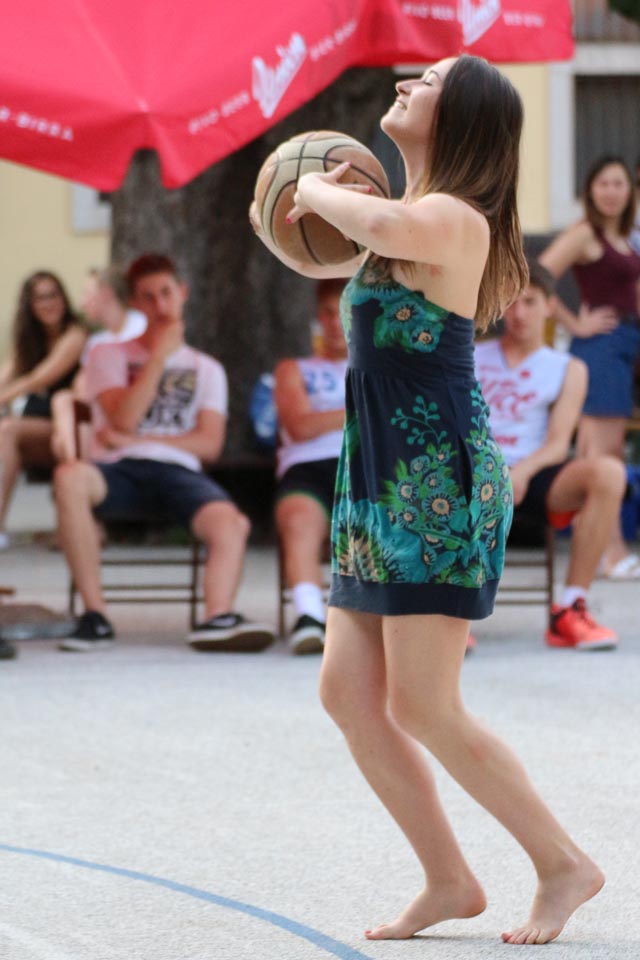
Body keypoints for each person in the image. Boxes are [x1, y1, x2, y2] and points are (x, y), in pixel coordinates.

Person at [251, 55, 604, 946]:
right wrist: (300, 207)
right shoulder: (405, 220)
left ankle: (563, 863)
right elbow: (355, 230)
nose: (408, 81)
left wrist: (313, 189)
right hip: (377, 485)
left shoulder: (454, 217)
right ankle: (449, 879)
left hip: (435, 486)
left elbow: (373, 220)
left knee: (424, 704)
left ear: (461, 117)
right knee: (347, 692)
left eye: (431, 80)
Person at [54, 253, 275, 653]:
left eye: (166, 293)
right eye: (147, 297)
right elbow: (123, 418)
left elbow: (209, 445)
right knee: (69, 477)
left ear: (182, 293)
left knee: (232, 523)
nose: (159, 305)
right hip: (116, 469)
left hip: (178, 473)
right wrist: (157, 358)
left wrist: (140, 440)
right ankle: (95, 616)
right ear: (134, 303)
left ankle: (217, 618)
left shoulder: (207, 369)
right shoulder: (108, 355)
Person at [476, 259, 625, 650]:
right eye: (511, 302)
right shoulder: (472, 356)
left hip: (534, 473)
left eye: (529, 302)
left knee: (609, 473)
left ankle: (570, 609)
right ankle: (448, 613)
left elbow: (558, 444)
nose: (519, 313)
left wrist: (521, 472)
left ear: (549, 307)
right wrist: (491, 470)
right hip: (475, 472)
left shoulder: (568, 368)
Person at [539, 156, 640, 579]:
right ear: (589, 191)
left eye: (619, 184)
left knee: (598, 452)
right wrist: (575, 323)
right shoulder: (585, 233)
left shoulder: (625, 238)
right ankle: (611, 553)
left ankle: (598, 548)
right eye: (604, 184)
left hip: (624, 346)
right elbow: (538, 274)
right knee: (603, 455)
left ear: (630, 191)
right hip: (600, 348)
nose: (612, 192)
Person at [274, 278, 347, 654]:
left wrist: (326, 417)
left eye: (345, 313)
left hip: (365, 464)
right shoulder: (295, 369)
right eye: (328, 313)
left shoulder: (383, 371)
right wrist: (364, 407)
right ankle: (309, 617)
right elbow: (299, 426)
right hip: (307, 466)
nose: (335, 323)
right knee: (299, 519)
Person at [0, 271, 87, 547]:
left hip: (68, 431)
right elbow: (6, 376)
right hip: (37, 429)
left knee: (7, 430)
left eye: (53, 295)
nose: (49, 303)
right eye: (40, 298)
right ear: (30, 305)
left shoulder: (75, 335)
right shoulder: (30, 341)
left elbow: (37, 379)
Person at [51, 265, 147, 462]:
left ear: (106, 294)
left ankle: (79, 465)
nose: (82, 302)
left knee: (64, 428)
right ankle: (79, 463)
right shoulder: (97, 341)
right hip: (100, 409)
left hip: (129, 411)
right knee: (62, 402)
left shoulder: (140, 326)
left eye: (87, 294)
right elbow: (81, 386)